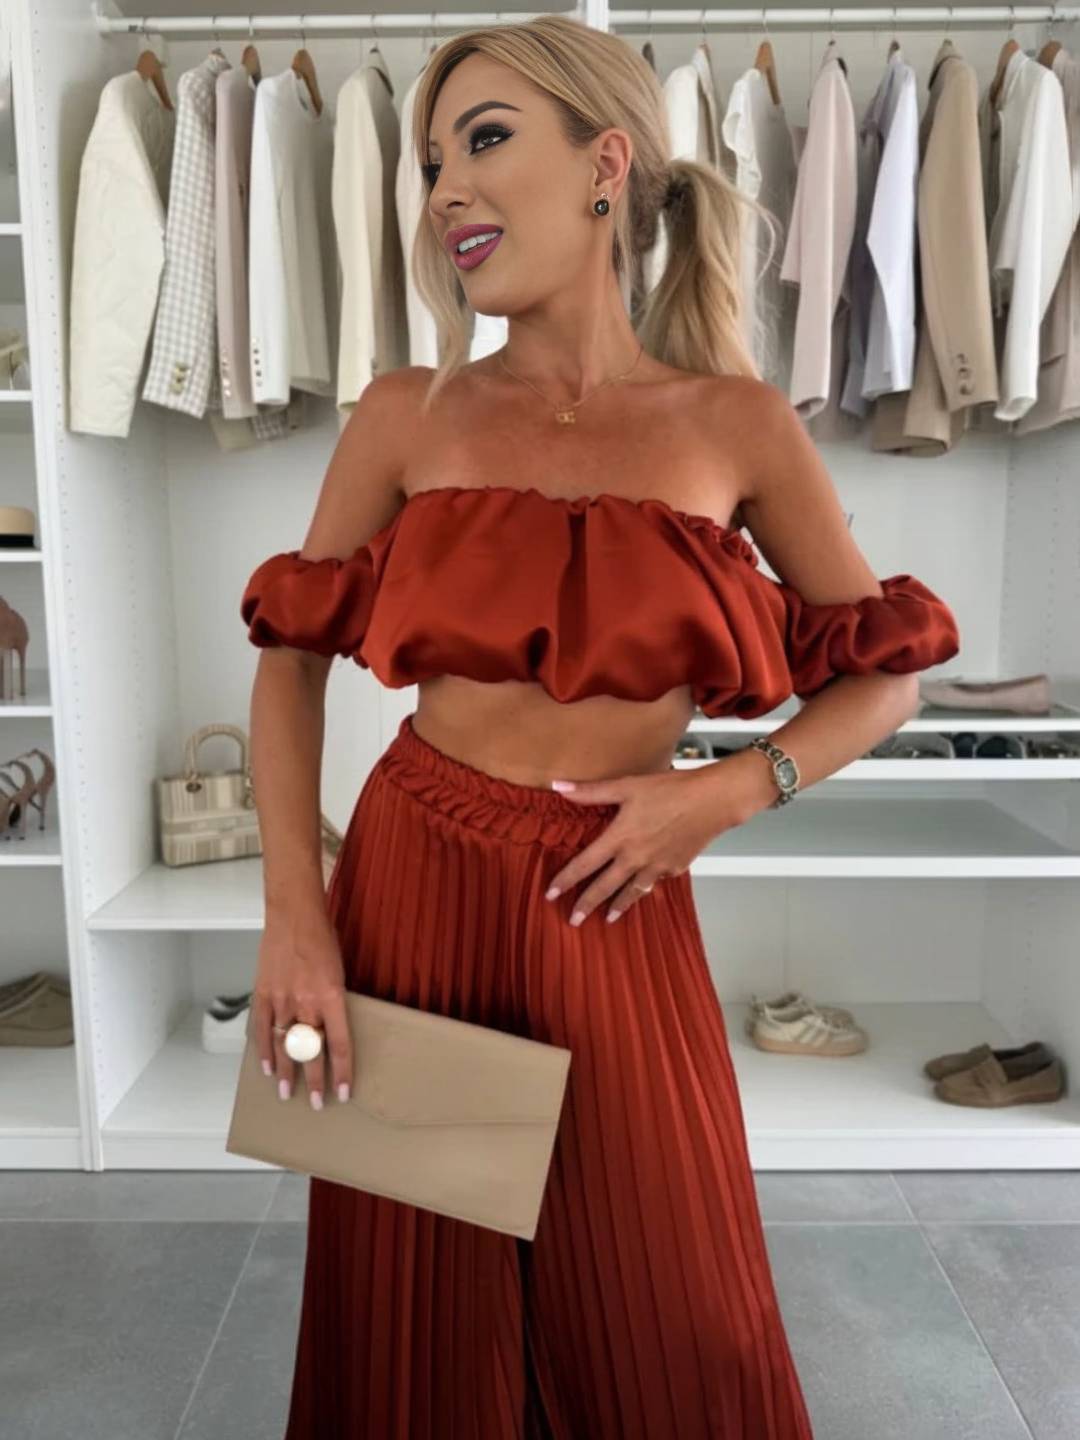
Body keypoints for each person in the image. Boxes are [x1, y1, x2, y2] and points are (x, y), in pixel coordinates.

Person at [239, 16, 960, 1439]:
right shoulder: (406, 414)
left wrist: (728, 792)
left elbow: (888, 676)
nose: (444, 187)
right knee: (418, 1308)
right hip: (415, 872)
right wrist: (294, 918)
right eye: (431, 161)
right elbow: (287, 666)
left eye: (485, 140)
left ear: (605, 166)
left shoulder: (735, 423)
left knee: (673, 1308)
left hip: (614, 886)